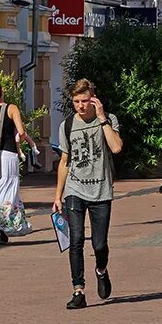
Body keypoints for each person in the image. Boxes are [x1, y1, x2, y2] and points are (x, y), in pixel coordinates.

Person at [52, 79, 123, 310]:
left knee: (100, 244)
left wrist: (102, 118)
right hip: (75, 190)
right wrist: (58, 195)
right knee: (76, 239)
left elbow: (116, 147)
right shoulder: (67, 125)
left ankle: (101, 270)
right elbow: (64, 162)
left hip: (101, 191)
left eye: (84, 101)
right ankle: (78, 290)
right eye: (76, 102)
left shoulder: (109, 120)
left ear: (93, 99)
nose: (80, 106)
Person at [0, 82, 33, 243]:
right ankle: (8, 224)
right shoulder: (12, 108)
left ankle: (0, 229)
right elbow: (22, 132)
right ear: (2, 92)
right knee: (9, 188)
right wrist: (22, 139)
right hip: (9, 154)